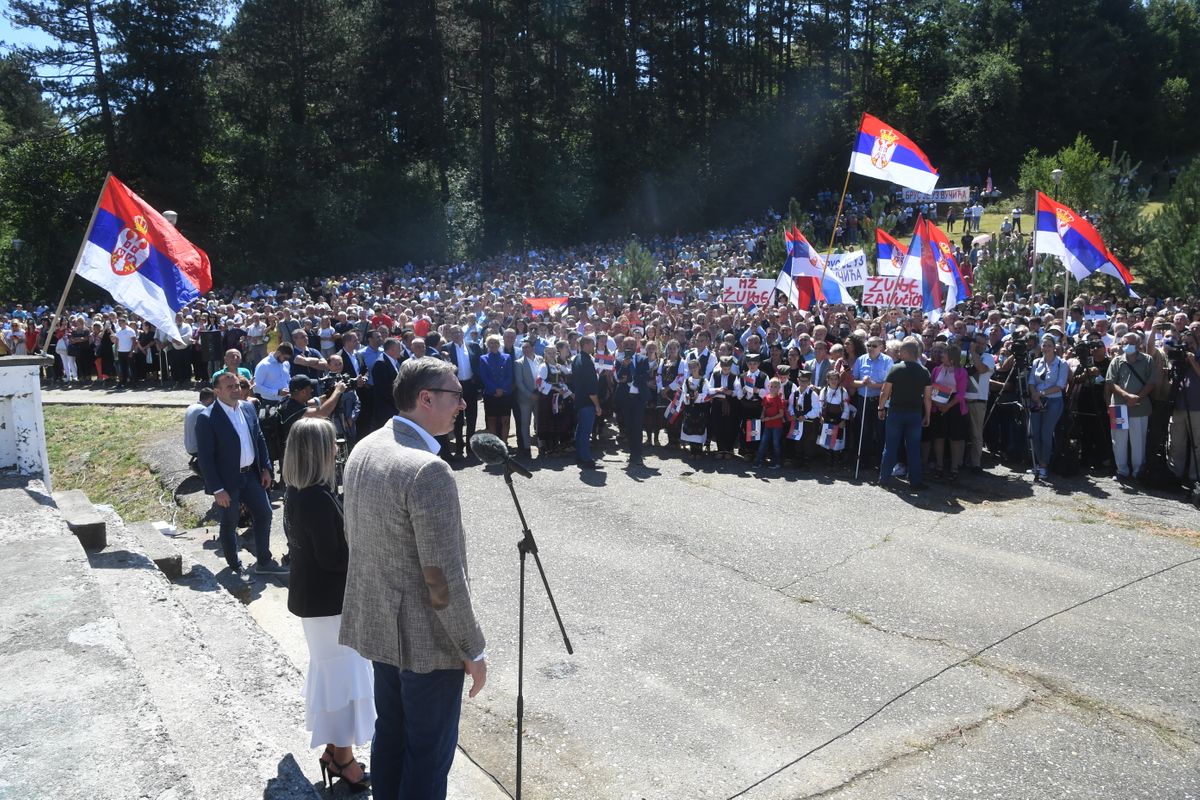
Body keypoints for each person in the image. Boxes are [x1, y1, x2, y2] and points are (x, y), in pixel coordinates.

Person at [339, 358, 486, 800]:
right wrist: (471, 646)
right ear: (426, 399)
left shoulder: (365, 447)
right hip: (426, 642)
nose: (462, 405)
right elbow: (441, 578)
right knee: (427, 758)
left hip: (380, 626)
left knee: (393, 739)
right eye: (456, 396)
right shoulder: (427, 470)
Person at [282, 418, 374, 793]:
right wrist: (364, 545)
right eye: (331, 443)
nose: (337, 448)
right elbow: (333, 559)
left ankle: (336, 749)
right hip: (329, 603)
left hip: (314, 600)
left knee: (335, 676)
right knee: (345, 679)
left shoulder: (298, 490)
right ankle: (343, 759)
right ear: (317, 452)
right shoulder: (317, 498)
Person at [195, 372, 286, 575]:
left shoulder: (247, 408)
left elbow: (259, 438)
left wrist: (265, 468)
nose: (236, 389)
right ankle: (235, 566)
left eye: (237, 386)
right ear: (217, 391)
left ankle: (264, 562)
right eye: (230, 387)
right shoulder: (207, 418)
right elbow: (205, 459)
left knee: (264, 514)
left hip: (252, 476)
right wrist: (217, 489)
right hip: (227, 482)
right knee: (230, 523)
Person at [878, 339, 933, 489]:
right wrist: (927, 415)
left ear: (907, 352)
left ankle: (884, 480)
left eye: (900, 350)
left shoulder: (895, 369)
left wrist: (881, 408)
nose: (898, 353)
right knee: (914, 449)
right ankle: (915, 481)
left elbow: (885, 392)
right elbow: (928, 397)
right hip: (914, 414)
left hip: (896, 413)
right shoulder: (924, 371)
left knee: (890, 447)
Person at [1106, 331, 1159, 481]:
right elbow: (1111, 382)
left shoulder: (1148, 360)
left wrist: (1137, 397)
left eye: (1129, 343)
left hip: (1140, 406)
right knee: (1118, 440)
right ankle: (1121, 470)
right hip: (1119, 406)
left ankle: (1138, 472)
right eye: (1123, 343)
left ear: (1137, 345)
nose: (1126, 346)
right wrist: (1126, 396)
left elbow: (1152, 382)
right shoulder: (1116, 361)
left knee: (1139, 440)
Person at [1028, 334, 1069, 481]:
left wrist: (1041, 393)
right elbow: (1032, 380)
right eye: (1044, 345)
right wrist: (1035, 394)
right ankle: (1038, 462)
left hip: (1053, 401)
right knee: (1035, 433)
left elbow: (1060, 385)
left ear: (1054, 347)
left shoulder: (1061, 363)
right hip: (1037, 401)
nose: (1046, 348)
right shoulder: (1037, 362)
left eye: (1049, 345)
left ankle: (1044, 465)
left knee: (1046, 432)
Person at [927, 344, 970, 480]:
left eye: (944, 354)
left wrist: (948, 406)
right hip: (938, 404)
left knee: (955, 438)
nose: (941, 355)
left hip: (955, 406)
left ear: (951, 357)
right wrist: (938, 404)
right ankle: (939, 467)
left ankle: (954, 468)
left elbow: (961, 393)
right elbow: (932, 387)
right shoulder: (936, 370)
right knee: (939, 436)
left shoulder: (961, 372)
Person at [443, 326, 483, 458]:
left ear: (462, 333)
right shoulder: (446, 348)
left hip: (470, 386)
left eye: (458, 332)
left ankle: (471, 447)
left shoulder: (474, 346)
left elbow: (478, 364)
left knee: (472, 417)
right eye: (453, 333)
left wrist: (476, 379)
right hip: (455, 388)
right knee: (457, 418)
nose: (456, 335)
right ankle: (459, 446)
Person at [614, 335, 650, 466]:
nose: (629, 347)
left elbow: (646, 375)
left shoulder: (643, 359)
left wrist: (631, 378)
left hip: (638, 398)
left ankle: (638, 455)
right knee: (629, 427)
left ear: (636, 346)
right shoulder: (619, 360)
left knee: (638, 427)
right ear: (623, 346)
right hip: (626, 399)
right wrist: (624, 366)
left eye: (632, 345)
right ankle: (632, 453)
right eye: (626, 345)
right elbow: (618, 377)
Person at [571, 335, 602, 469]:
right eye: (592, 344)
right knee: (585, 431)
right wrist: (597, 405)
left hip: (580, 399)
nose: (594, 347)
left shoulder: (577, 358)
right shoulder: (586, 361)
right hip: (587, 401)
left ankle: (580, 455)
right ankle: (586, 458)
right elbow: (591, 388)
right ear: (586, 345)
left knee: (580, 429)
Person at [479, 334, 514, 444]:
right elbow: (484, 377)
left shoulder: (507, 357)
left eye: (495, 343)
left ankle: (504, 444)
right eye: (491, 343)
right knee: (492, 420)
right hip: (490, 394)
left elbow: (510, 375)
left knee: (506, 420)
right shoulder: (483, 358)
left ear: (499, 344)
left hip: (505, 394)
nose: (493, 345)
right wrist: (495, 389)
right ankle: (496, 446)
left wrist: (502, 389)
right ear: (487, 345)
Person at [513, 340, 540, 459]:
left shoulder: (540, 359)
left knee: (539, 422)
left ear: (533, 348)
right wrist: (530, 395)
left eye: (527, 347)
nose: (525, 350)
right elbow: (519, 382)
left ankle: (541, 446)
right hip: (525, 398)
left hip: (539, 396)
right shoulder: (518, 363)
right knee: (525, 423)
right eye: (523, 348)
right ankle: (527, 448)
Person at [371, 338, 405, 428]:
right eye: (399, 348)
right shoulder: (380, 364)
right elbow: (384, 390)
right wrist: (399, 404)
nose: (401, 351)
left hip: (395, 408)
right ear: (392, 349)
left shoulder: (395, 362)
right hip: (386, 410)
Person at [754, 377, 786, 469]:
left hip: (777, 426)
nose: (772, 388)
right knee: (763, 443)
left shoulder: (779, 399)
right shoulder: (766, 397)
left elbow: (781, 414)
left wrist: (769, 418)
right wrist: (762, 416)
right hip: (768, 425)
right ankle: (758, 461)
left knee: (776, 444)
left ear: (779, 388)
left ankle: (776, 462)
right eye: (771, 386)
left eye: (775, 387)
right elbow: (764, 409)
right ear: (768, 386)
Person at [184, 387, 216, 475]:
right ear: (210, 399)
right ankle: (200, 466)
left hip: (188, 445)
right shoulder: (203, 410)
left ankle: (199, 462)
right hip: (196, 448)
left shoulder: (191, 407)